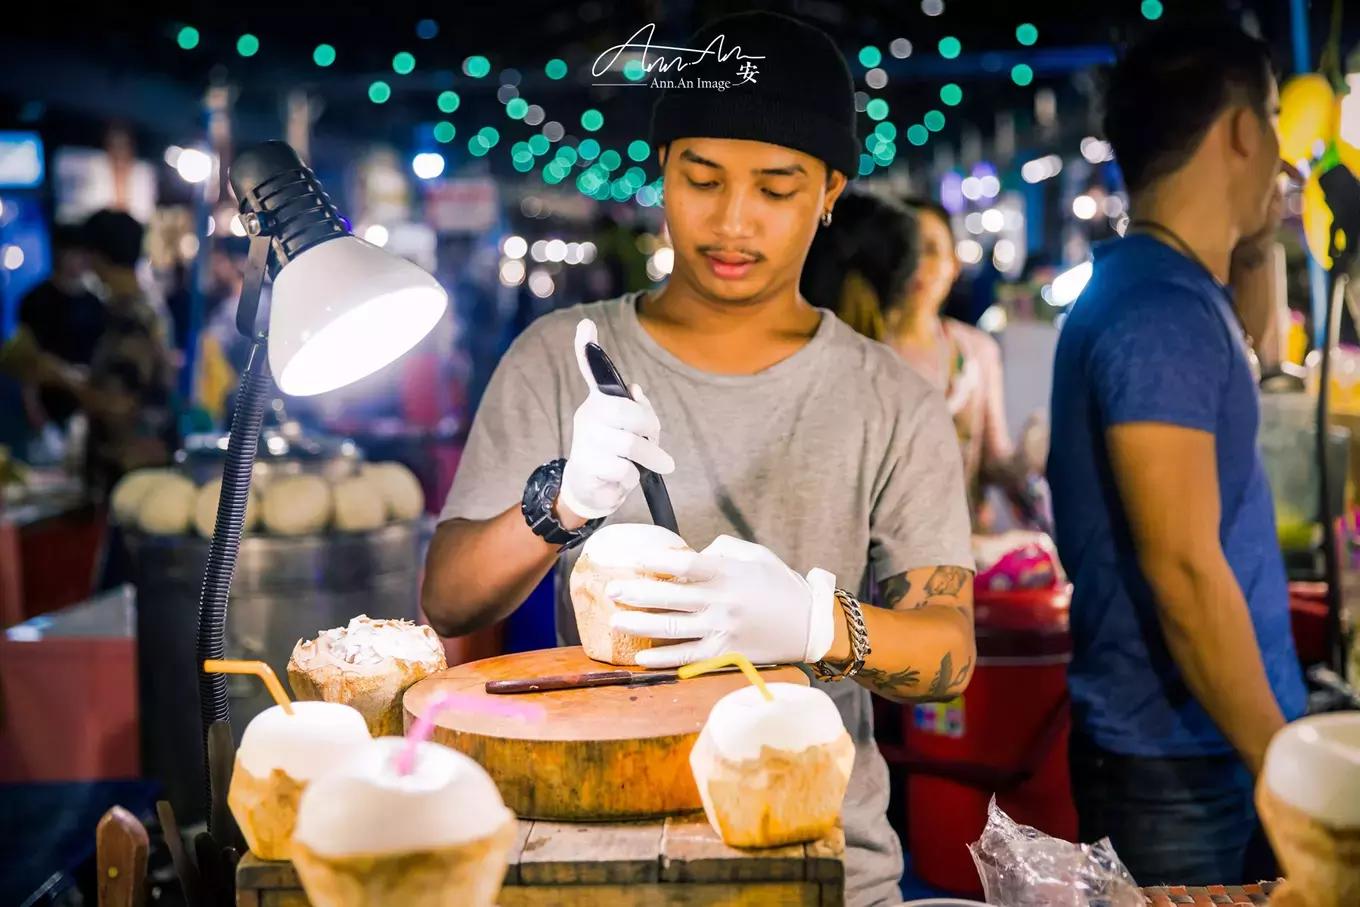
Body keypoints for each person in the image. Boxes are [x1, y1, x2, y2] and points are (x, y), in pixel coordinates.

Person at [422, 12, 976, 905]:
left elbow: (949, 655)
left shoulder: (890, 397)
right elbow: (448, 597)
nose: (731, 220)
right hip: (603, 853)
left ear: (831, 189)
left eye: (777, 187)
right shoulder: (563, 355)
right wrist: (557, 502)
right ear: (663, 169)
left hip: (821, 859)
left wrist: (814, 623)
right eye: (703, 177)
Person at [1047, 23, 1305, 885]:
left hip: (1188, 749)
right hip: (1181, 763)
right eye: (1271, 115)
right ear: (1241, 131)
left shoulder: (1160, 287)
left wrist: (1260, 240)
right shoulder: (1159, 311)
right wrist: (1285, 763)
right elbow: (1186, 571)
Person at [803, 191, 1035, 530]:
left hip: (963, 541)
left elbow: (994, 462)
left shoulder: (975, 352)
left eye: (930, 249)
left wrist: (1030, 458)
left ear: (954, 264)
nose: (918, 265)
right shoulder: (860, 345)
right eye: (909, 250)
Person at [81, 209, 177, 497]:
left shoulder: (130, 315)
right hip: (140, 467)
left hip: (133, 471)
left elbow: (120, 404)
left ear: (96, 256)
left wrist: (54, 375)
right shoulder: (145, 306)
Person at [17, 222, 106, 425]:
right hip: (47, 403)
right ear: (59, 253)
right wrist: (32, 407)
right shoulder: (37, 299)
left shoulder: (95, 303)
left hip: (87, 404)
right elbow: (27, 356)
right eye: (75, 253)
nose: (81, 260)